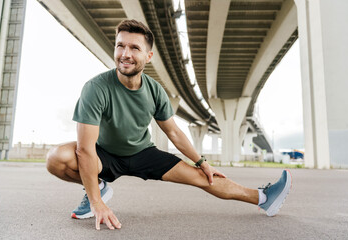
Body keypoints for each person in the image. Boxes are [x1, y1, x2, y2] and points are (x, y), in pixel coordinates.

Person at [46, 19, 292, 231]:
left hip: (143, 154)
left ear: (148, 56)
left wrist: (202, 162)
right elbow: (85, 149)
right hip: (104, 155)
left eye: (134, 47)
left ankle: (263, 197)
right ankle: (95, 188)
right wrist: (97, 200)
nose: (125, 54)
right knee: (56, 158)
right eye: (120, 45)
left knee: (202, 177)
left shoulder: (154, 91)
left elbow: (173, 131)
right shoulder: (96, 88)